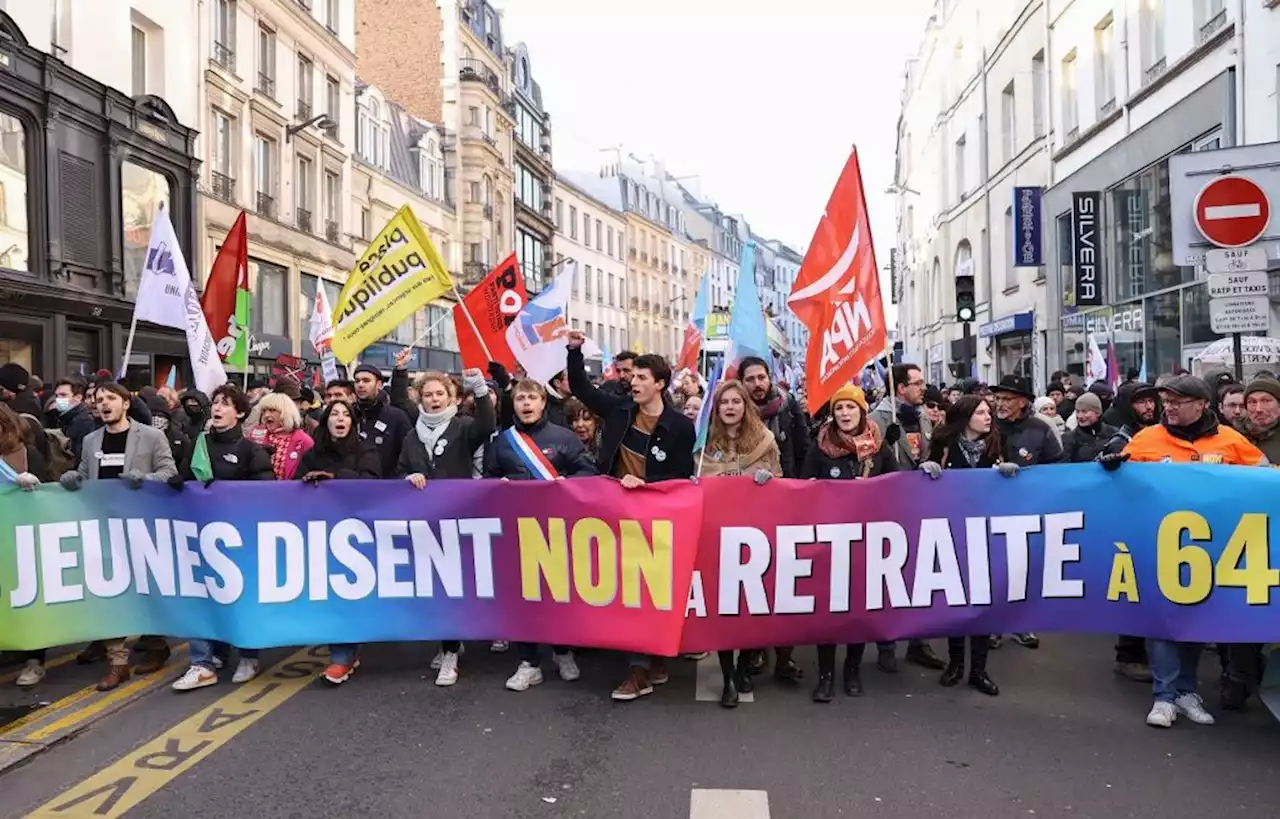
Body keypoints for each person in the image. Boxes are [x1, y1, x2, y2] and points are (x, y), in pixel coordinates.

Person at [1101, 375, 1264, 728]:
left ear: (1201, 405)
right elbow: (1110, 480)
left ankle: (1186, 692)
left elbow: (1266, 480)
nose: (1169, 407)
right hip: (1159, 545)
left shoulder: (1231, 441)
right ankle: (1163, 697)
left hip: (1212, 549)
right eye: (1167, 401)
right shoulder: (1146, 439)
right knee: (1163, 621)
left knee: (1196, 621)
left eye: (1177, 401)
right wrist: (1109, 466)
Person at [566, 331, 695, 701]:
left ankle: (655, 660)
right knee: (629, 591)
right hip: (617, 514)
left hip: (657, 517)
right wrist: (574, 351)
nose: (633, 382)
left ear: (660, 384)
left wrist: (646, 483)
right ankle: (638, 670)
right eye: (632, 376)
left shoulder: (680, 427)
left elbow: (681, 477)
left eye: (641, 378)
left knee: (652, 589)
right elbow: (580, 387)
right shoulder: (619, 410)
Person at [60, 381, 179, 690]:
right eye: (99, 400)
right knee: (110, 593)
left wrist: (146, 478)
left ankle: (155, 645)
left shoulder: (151, 436)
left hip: (142, 527)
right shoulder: (90, 440)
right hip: (105, 527)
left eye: (111, 398)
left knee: (145, 592)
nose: (104, 404)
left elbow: (169, 472)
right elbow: (85, 475)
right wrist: (74, 479)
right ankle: (118, 662)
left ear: (125, 403)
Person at [487, 378, 596, 692]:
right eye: (520, 398)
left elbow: (588, 471)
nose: (526, 404)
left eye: (531, 397)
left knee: (557, 595)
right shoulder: (503, 441)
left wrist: (565, 482)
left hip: (556, 530)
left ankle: (562, 651)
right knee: (521, 599)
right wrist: (499, 485)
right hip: (516, 531)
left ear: (543, 402)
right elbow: (490, 476)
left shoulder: (564, 437)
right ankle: (528, 662)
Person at [392, 368, 495, 687]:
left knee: (455, 587)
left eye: (439, 394)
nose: (434, 400)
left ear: (450, 397)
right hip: (426, 523)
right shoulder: (412, 435)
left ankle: (450, 652)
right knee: (436, 588)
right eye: (428, 395)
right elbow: (400, 472)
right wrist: (409, 478)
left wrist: (479, 390)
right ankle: (450, 641)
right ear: (419, 399)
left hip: (460, 519)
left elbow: (487, 425)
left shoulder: (463, 427)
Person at [172, 384, 274, 692]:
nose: (218, 408)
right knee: (201, 597)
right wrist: (179, 481)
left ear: (240, 413)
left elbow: (264, 492)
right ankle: (202, 662)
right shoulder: (198, 444)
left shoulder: (251, 451)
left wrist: (229, 493)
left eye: (226, 404)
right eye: (216, 403)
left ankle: (248, 655)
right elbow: (185, 476)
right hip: (201, 535)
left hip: (239, 539)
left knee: (240, 598)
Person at [802, 384, 896, 703]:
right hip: (829, 541)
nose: (844, 413)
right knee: (829, 612)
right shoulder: (819, 447)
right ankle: (826, 675)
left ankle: (852, 669)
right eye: (839, 408)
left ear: (861, 411)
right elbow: (803, 488)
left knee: (858, 610)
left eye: (851, 408)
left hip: (867, 540)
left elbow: (897, 487)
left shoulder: (880, 448)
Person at [919, 395, 1018, 697]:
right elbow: (922, 482)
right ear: (965, 417)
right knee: (956, 600)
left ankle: (978, 669)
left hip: (987, 533)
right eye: (981, 412)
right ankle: (956, 664)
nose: (989, 417)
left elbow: (1017, 484)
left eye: (989, 412)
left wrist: (1010, 475)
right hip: (952, 532)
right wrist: (927, 469)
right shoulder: (944, 443)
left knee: (981, 603)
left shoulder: (998, 444)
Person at [694, 380, 783, 707]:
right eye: (724, 403)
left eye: (736, 401)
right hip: (717, 538)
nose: (730, 407)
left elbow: (782, 483)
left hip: (756, 538)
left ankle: (745, 666)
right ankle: (729, 675)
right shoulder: (705, 445)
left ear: (745, 406)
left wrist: (769, 481)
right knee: (724, 611)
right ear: (717, 410)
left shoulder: (764, 441)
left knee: (751, 609)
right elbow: (698, 483)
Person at [867, 363, 946, 671]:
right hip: (888, 511)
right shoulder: (877, 420)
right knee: (889, 578)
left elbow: (932, 454)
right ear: (900, 388)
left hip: (921, 509)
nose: (923, 387)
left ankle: (918, 643)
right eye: (917, 382)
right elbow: (870, 463)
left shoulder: (925, 417)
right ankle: (886, 643)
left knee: (921, 577)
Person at [1216, 378, 1280, 710]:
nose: (1258, 409)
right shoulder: (1228, 437)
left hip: (1277, 539)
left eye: (1266, 401)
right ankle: (1238, 675)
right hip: (1239, 538)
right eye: (1252, 402)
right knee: (1238, 608)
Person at [989, 374, 1063, 650]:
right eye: (997, 398)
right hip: (991, 511)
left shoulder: (1040, 428)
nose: (1000, 404)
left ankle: (1021, 623)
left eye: (1007, 399)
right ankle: (993, 625)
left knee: (1024, 569)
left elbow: (1057, 465)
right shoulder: (988, 426)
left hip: (1029, 511)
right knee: (995, 569)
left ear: (1023, 402)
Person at [351, 364, 412, 478]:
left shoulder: (396, 417)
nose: (360, 385)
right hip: (354, 486)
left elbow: (408, 455)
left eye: (366, 381)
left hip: (388, 488)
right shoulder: (348, 415)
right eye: (357, 381)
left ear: (378, 384)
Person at [245, 392, 314, 481]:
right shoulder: (256, 434)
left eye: (272, 410)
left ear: (286, 413)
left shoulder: (304, 441)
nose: (266, 415)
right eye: (264, 411)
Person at [1061, 392, 1115, 464]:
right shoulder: (1068, 438)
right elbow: (1063, 467)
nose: (1079, 416)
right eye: (1077, 411)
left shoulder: (1113, 434)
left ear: (1097, 413)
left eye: (1084, 411)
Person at [50, 377, 95, 461]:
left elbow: (79, 455)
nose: (58, 399)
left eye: (63, 395)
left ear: (78, 397)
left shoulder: (83, 422)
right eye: (57, 395)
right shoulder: (65, 418)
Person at [564, 397, 602, 462]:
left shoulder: (607, 447)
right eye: (575, 420)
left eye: (586, 419)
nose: (580, 424)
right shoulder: (565, 447)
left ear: (596, 421)